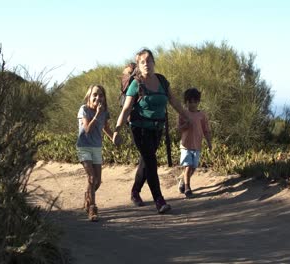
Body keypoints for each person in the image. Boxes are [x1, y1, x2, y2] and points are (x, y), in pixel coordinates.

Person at [113, 48, 190, 214]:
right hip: (139, 129)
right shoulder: (136, 84)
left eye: (148, 61)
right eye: (142, 62)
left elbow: (174, 101)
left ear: (154, 63)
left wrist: (186, 116)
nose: (146, 64)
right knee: (151, 162)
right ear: (139, 66)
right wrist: (117, 131)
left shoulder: (162, 81)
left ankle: (135, 191)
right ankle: (159, 200)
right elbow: (126, 109)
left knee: (145, 162)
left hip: (157, 128)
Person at [76, 84, 117, 222]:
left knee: (97, 181)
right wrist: (97, 114)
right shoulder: (84, 110)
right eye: (95, 94)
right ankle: (92, 209)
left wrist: (113, 138)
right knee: (92, 178)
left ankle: (88, 197)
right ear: (89, 96)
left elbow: (105, 127)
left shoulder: (104, 112)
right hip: (84, 147)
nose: (98, 97)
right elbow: (87, 129)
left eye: (101, 95)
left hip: (97, 148)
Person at [177, 88, 212, 198]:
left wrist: (209, 143)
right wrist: (185, 125)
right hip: (186, 145)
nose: (192, 104)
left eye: (195, 102)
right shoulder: (183, 114)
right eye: (189, 102)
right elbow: (178, 128)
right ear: (186, 102)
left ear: (198, 102)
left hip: (197, 145)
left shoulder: (202, 115)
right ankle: (187, 188)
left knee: (193, 167)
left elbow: (206, 130)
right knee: (188, 166)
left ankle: (183, 180)